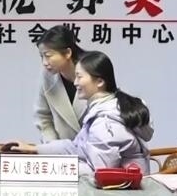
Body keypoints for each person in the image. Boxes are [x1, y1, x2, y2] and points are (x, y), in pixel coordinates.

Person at [11, 51, 154, 175]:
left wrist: (49, 169)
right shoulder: (107, 109)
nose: (75, 83)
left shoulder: (104, 122)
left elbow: (98, 173)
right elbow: (75, 147)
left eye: (79, 77)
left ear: (99, 82)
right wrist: (34, 149)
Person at [34, 25, 89, 142]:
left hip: (93, 147)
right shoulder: (47, 76)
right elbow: (43, 117)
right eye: (42, 56)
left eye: (48, 56)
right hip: (60, 149)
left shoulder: (92, 72)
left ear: (68, 53)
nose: (44, 62)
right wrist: (52, 145)